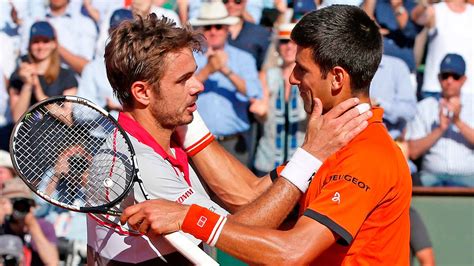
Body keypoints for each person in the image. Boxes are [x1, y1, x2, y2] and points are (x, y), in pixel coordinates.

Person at [120, 5, 412, 265]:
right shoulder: (329, 142)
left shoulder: (366, 154)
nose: (292, 77)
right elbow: (251, 197)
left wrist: (187, 216)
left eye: (302, 69)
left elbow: (291, 253)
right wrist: (187, 122)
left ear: (337, 78)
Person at [191, 1, 263, 164]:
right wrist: (208, 70)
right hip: (198, 142)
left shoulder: (244, 58)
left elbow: (254, 92)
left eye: (218, 26)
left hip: (234, 142)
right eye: (208, 27)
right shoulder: (190, 58)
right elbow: (180, 91)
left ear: (227, 28)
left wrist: (226, 71)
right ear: (202, 30)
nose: (213, 31)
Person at [406, 53, 474, 187]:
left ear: (463, 80)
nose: (449, 81)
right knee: (411, 181)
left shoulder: (472, 104)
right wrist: (440, 129)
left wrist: (458, 122)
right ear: (439, 78)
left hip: (469, 178)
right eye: (445, 76)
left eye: (455, 76)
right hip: (431, 177)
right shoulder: (424, 106)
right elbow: (413, 152)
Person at [250, 23, 307, 176]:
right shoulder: (267, 75)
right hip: (268, 161)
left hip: (301, 165)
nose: (288, 46)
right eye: (283, 41)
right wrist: (259, 110)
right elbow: (262, 113)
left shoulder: (309, 77)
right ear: (277, 46)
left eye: (294, 42)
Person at [9, 20, 78, 123]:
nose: (40, 47)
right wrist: (27, 85)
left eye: (45, 41)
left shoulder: (66, 76)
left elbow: (68, 119)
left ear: (54, 44)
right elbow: (18, 118)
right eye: (36, 42)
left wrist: (39, 93)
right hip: (26, 137)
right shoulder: (18, 76)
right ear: (29, 45)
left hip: (58, 137)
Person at [412, 0, 474, 97]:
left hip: (469, 90)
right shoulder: (436, 10)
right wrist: (426, 2)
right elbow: (417, 18)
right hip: (435, 89)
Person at [0, 178, 59, 266]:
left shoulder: (43, 226)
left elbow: (53, 263)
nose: (18, 208)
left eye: (23, 204)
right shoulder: (3, 226)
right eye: (14, 203)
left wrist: (32, 224)